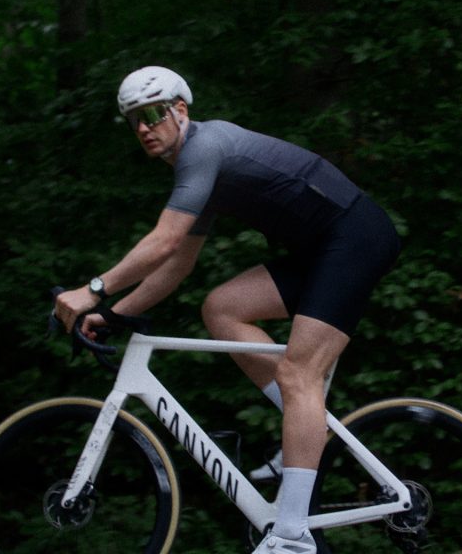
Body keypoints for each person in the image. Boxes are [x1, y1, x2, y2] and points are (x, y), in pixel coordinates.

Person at [54, 65, 400, 554]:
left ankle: (293, 539)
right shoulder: (197, 169)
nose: (144, 127)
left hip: (355, 238)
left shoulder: (205, 148)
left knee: (299, 373)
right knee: (222, 308)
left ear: (180, 110)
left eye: (153, 114)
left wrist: (93, 290)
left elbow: (164, 240)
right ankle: (306, 424)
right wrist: (114, 314)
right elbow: (177, 264)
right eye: (134, 120)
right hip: (322, 251)